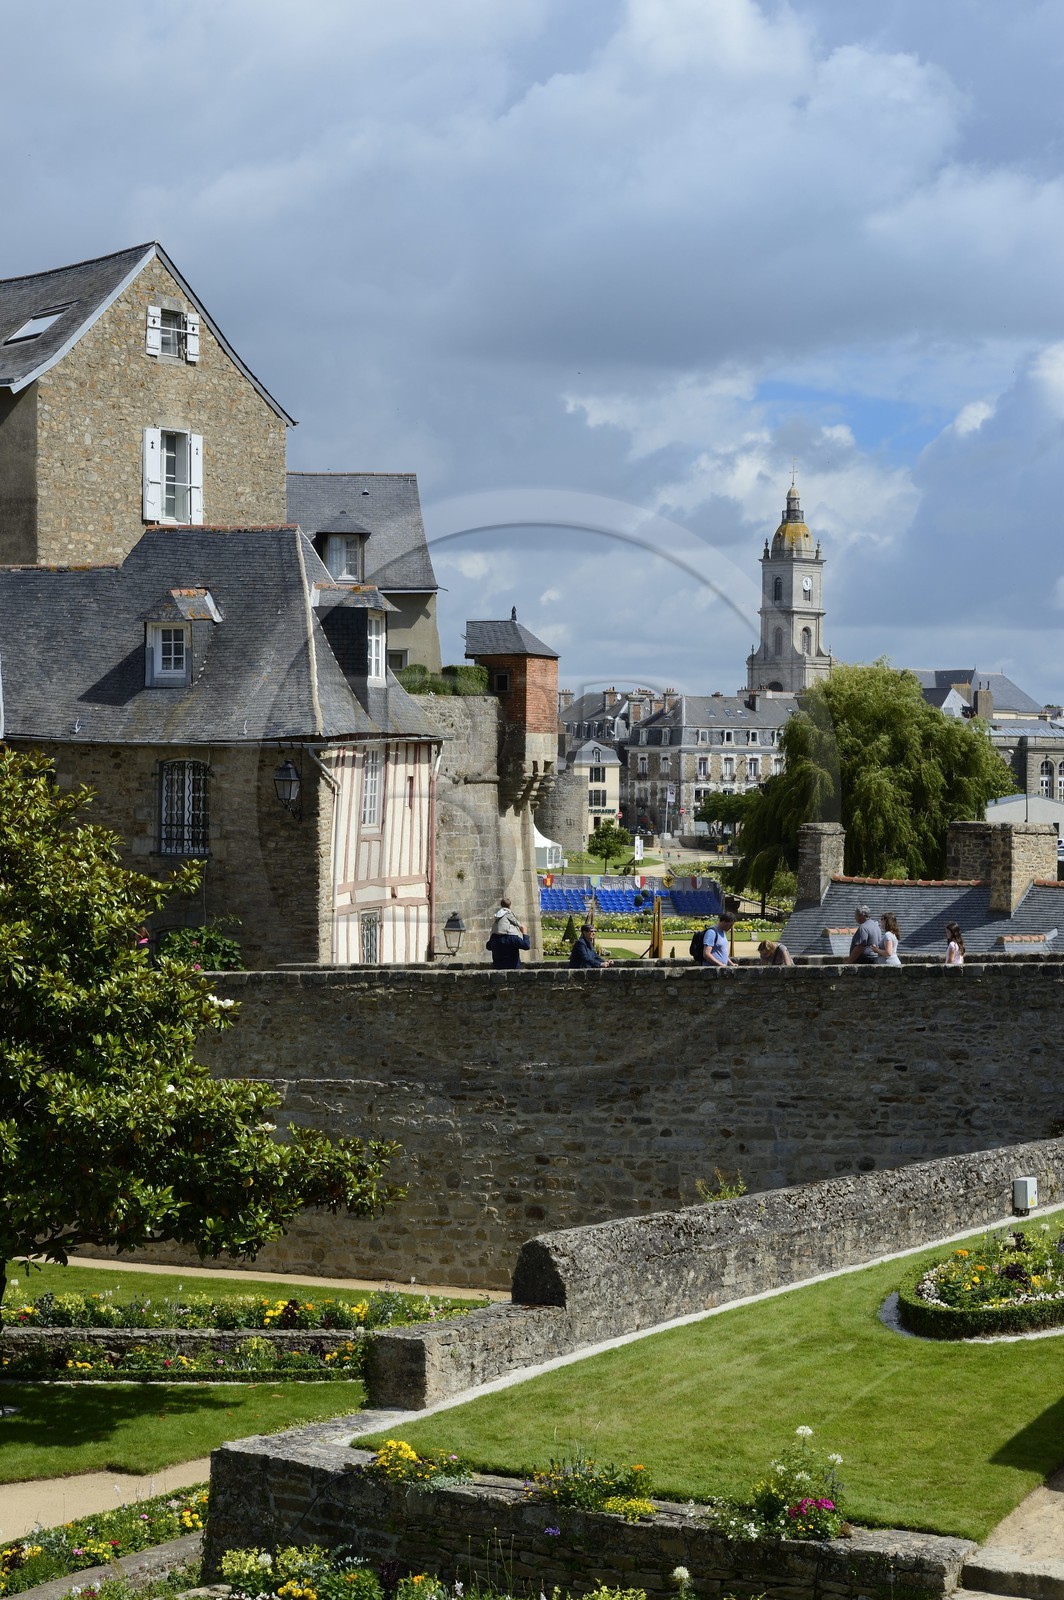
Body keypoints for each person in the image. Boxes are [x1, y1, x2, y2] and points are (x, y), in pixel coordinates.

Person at [486, 897, 530, 968]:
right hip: (513, 973)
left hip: (497, 974)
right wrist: (524, 934)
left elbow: (488, 946)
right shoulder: (513, 938)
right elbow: (526, 945)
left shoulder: (494, 938)